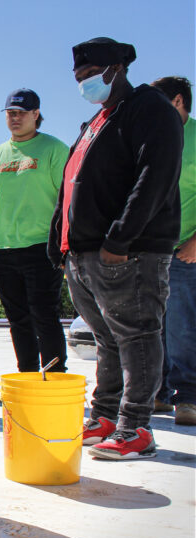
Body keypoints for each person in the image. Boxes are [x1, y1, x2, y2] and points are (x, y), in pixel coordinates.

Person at [49, 38, 183, 459]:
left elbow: (155, 177)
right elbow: (70, 184)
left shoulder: (150, 109)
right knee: (106, 338)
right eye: (79, 78)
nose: (85, 83)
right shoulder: (95, 122)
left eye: (91, 75)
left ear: (117, 69)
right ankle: (105, 416)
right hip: (84, 253)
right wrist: (60, 240)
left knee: (138, 336)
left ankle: (136, 427)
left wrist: (120, 239)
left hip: (128, 251)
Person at [0, 89, 69, 374]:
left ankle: (54, 375)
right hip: (3, 250)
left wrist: (63, 243)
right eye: (10, 113)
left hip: (42, 247)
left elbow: (67, 199)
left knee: (44, 315)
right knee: (17, 319)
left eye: (21, 112)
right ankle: (27, 374)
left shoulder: (54, 149)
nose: (15, 118)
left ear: (36, 114)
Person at [150, 76, 196, 427]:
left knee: (181, 327)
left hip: (186, 249)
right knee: (153, 327)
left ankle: (189, 396)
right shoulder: (154, 136)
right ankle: (159, 394)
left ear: (178, 101)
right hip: (152, 248)